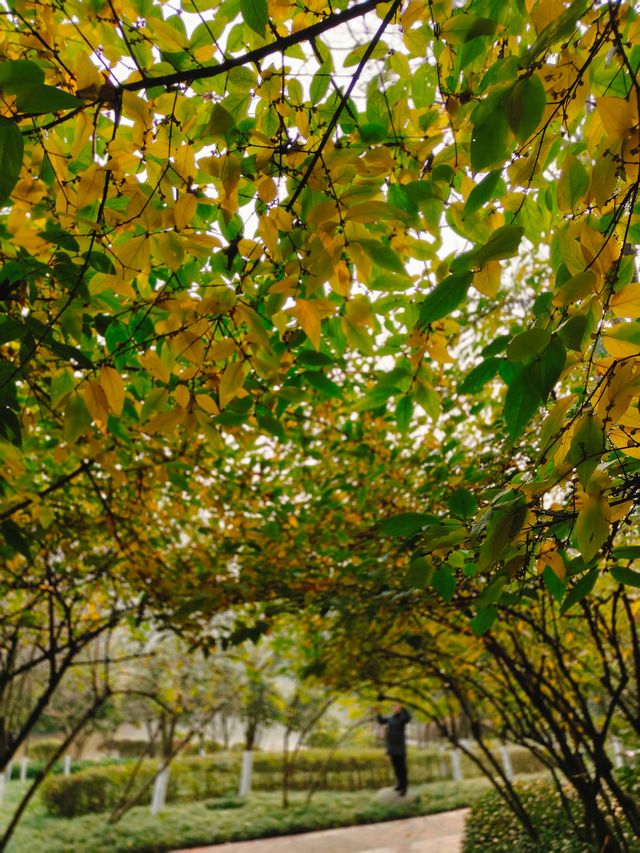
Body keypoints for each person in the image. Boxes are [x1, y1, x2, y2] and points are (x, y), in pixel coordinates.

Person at [375, 703, 411, 795]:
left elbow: (408, 718)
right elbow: (381, 721)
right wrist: (378, 712)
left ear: (399, 708)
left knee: (402, 768)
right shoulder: (390, 718)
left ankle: (404, 787)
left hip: (400, 747)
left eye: (396, 707)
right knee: (395, 767)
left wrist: (403, 708)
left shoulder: (402, 718)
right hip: (392, 747)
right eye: (393, 707)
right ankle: (399, 784)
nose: (394, 708)